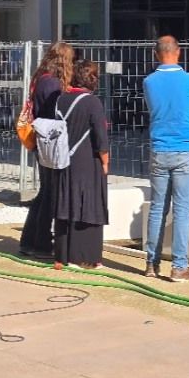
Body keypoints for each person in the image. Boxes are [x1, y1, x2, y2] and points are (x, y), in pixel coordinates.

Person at [143, 36, 189, 282]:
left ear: (156, 54)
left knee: (157, 208)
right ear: (178, 52)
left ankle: (151, 264)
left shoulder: (149, 82)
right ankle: (179, 266)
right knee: (182, 210)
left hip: (160, 149)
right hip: (185, 149)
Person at [19, 41, 75, 258]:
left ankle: (30, 240)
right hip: (50, 141)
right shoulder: (52, 84)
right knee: (49, 194)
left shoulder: (40, 79)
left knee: (44, 193)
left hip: (42, 139)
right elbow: (55, 115)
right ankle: (40, 242)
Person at [52, 60, 110, 269]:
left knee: (66, 204)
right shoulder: (92, 102)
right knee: (88, 205)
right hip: (87, 160)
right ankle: (85, 257)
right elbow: (101, 137)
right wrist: (105, 162)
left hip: (64, 159)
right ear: (93, 79)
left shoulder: (61, 100)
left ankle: (63, 255)